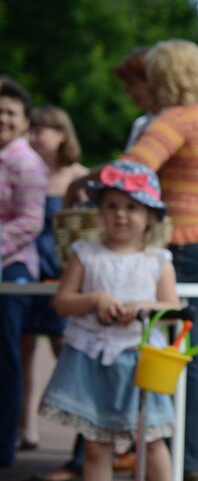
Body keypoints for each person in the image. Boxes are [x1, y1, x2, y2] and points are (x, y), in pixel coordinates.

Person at [66, 39, 198, 479]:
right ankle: (193, 459)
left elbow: (128, 174)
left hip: (176, 242)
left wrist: (83, 182)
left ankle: (130, 443)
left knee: (147, 346)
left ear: (165, 77)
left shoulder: (174, 119)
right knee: (186, 351)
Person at [39, 159, 179, 481]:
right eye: (112, 206)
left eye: (132, 207)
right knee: (96, 445)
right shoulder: (85, 253)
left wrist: (144, 307)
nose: (120, 214)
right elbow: (61, 303)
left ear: (150, 217)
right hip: (90, 357)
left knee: (151, 439)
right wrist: (93, 300)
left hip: (140, 360)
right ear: (100, 211)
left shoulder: (158, 261)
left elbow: (172, 310)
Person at [15, 106, 89, 453]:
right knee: (23, 348)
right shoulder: (26, 171)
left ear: (62, 133)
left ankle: (85, 430)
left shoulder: (80, 176)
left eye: (41, 129)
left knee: (67, 350)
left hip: (64, 275)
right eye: (32, 129)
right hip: (31, 270)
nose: (33, 135)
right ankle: (26, 427)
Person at [0, 76, 48, 468]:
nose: (2, 117)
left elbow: (30, 221)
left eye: (10, 112)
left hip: (11, 268)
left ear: (24, 121)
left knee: (6, 357)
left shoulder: (25, 162)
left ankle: (3, 446)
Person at [114, 46, 161, 151]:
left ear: (152, 81)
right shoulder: (141, 124)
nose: (127, 91)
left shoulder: (177, 123)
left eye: (131, 83)